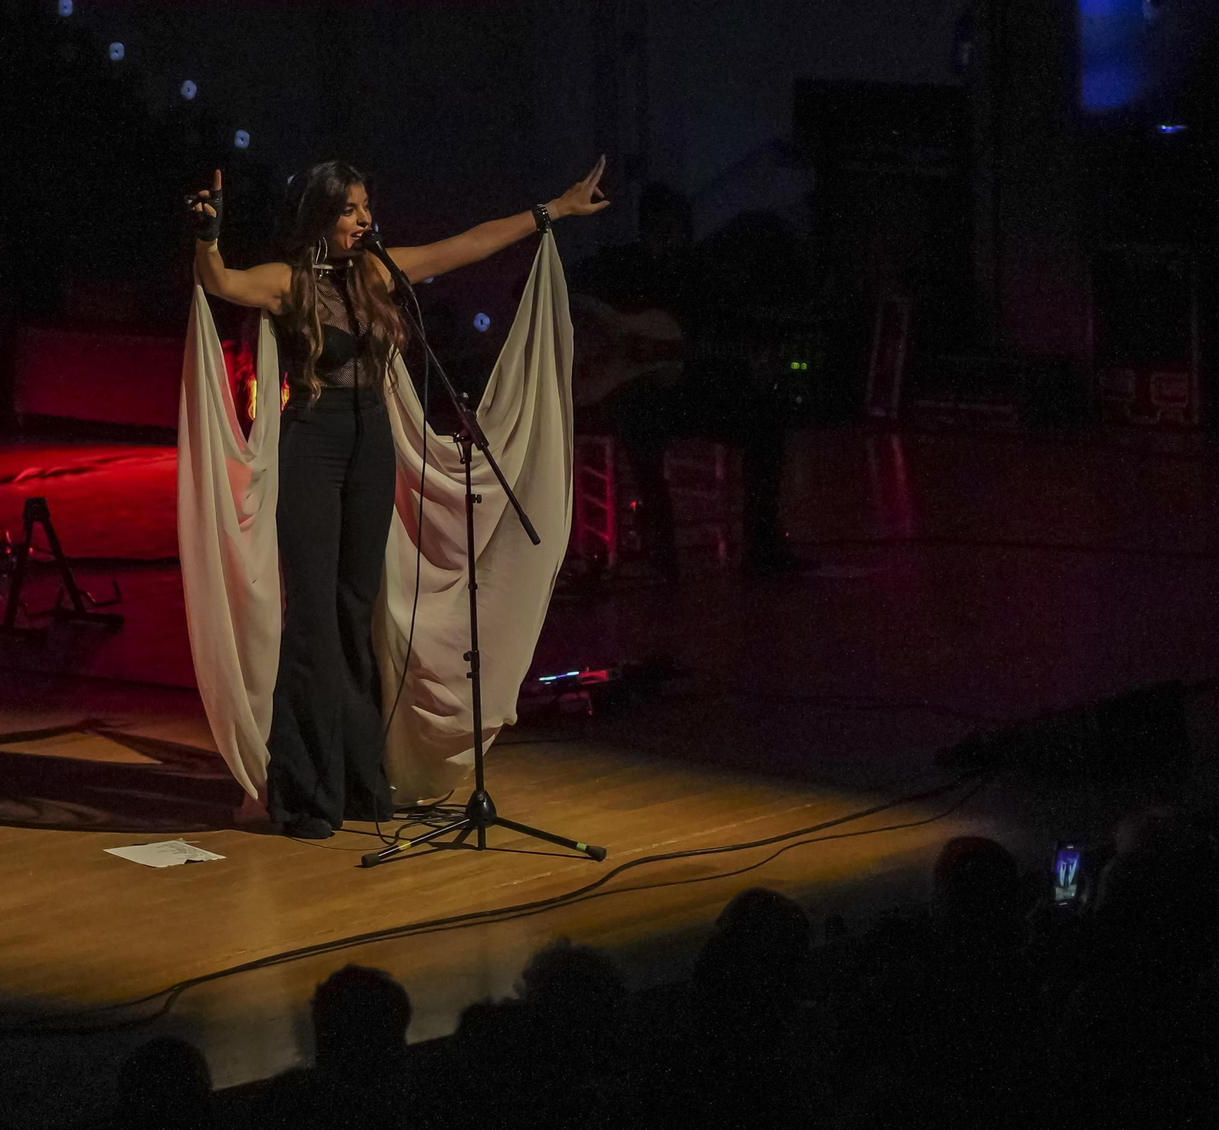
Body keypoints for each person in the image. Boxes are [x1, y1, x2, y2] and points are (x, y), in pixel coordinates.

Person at [189, 158, 608, 838]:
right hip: (312, 448)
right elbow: (219, 281)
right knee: (314, 617)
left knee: (356, 610)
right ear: (322, 216)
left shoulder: (374, 276)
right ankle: (305, 790)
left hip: (371, 445)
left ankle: (358, 779)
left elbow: (465, 244)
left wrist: (550, 211)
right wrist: (207, 235)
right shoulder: (287, 283)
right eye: (351, 209)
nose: (365, 219)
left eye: (365, 207)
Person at [570, 184, 812, 581]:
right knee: (638, 416)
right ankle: (661, 552)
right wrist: (604, 330)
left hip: (692, 393)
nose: (669, 237)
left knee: (766, 422)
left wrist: (750, 362)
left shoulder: (704, 273)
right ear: (646, 228)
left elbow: (724, 336)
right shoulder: (620, 267)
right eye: (660, 227)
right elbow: (564, 288)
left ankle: (761, 548)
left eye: (676, 228)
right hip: (637, 397)